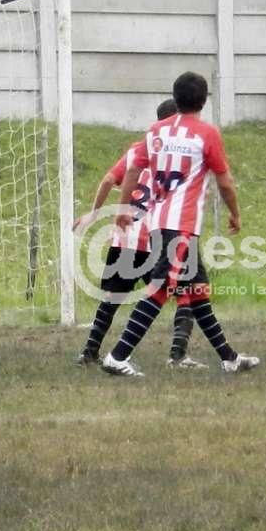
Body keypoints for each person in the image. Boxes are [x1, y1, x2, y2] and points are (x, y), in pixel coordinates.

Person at [101, 72, 260, 377]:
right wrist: (235, 214)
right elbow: (225, 182)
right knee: (160, 288)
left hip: (159, 221)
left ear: (175, 98)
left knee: (197, 289)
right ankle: (117, 356)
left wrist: (123, 208)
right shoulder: (206, 134)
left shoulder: (156, 131)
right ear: (204, 100)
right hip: (181, 225)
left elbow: (133, 171)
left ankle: (229, 358)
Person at [75, 99, 200, 369]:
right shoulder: (181, 153)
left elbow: (109, 179)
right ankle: (177, 355)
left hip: (125, 237)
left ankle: (89, 351)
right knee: (187, 292)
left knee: (113, 297)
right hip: (159, 238)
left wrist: (94, 214)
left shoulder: (137, 149)